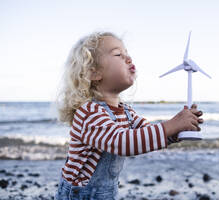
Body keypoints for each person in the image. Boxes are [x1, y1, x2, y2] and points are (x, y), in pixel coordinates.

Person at [55, 31, 203, 200]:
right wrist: (172, 125)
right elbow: (123, 142)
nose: (129, 58)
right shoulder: (88, 112)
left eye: (127, 54)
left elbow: (146, 134)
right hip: (79, 196)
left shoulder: (126, 112)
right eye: (118, 54)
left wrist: (177, 130)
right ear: (94, 73)